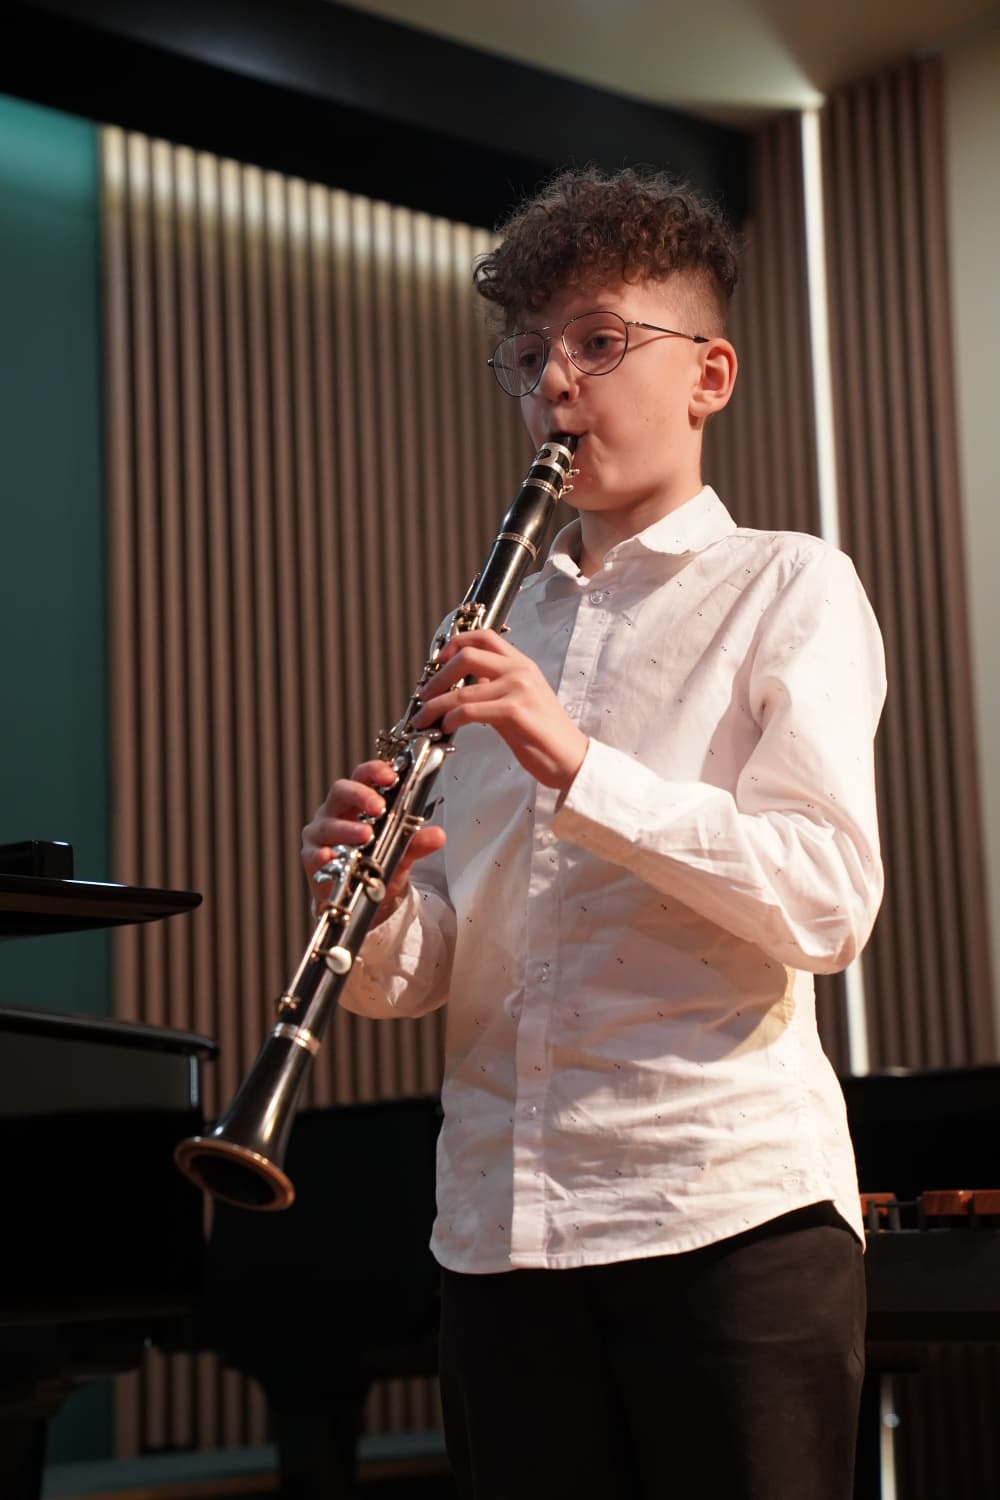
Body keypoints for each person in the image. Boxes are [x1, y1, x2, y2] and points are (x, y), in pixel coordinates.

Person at [301, 166, 886, 1500]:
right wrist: (374, 904)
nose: (555, 384)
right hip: (498, 1232)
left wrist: (575, 764)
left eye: (600, 342)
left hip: (724, 1216)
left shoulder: (790, 585)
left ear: (709, 376)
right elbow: (433, 971)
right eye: (529, 357)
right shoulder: (494, 627)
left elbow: (825, 902)